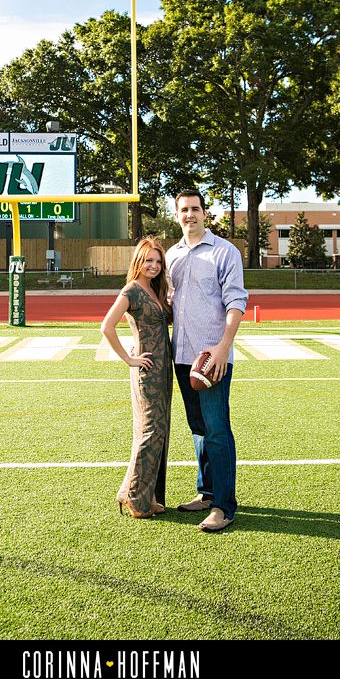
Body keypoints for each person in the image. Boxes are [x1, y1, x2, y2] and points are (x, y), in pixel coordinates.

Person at [165, 189, 248, 532]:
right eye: (183, 210)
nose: (190, 215)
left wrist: (223, 348)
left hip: (211, 356)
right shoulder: (172, 255)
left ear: (204, 213)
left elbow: (236, 302)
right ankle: (208, 491)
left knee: (216, 429)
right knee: (198, 428)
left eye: (195, 209)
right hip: (182, 356)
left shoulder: (224, 252)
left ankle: (224, 506)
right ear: (176, 215)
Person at [101, 237, 173, 519]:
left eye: (158, 261)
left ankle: (138, 492)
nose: (154, 265)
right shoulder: (132, 289)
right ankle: (137, 500)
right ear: (138, 262)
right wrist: (129, 358)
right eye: (149, 260)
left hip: (163, 370)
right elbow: (106, 326)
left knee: (156, 431)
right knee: (151, 431)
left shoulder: (154, 289)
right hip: (147, 372)